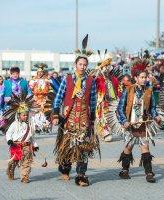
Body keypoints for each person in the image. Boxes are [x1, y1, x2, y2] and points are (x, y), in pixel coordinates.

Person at [52, 35, 99, 186]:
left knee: (83, 147)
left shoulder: (91, 81)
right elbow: (58, 97)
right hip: (69, 117)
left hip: (84, 119)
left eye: (85, 65)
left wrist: (92, 118)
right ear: (75, 64)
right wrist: (55, 114)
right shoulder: (68, 79)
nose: (83, 67)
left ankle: (81, 175)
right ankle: (65, 168)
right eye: (80, 64)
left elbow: (93, 100)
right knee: (67, 145)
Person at [117, 65, 160, 183]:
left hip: (143, 124)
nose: (144, 79)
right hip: (130, 124)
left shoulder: (149, 91)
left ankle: (149, 173)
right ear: (135, 78)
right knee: (128, 147)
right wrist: (123, 121)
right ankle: (125, 170)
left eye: (145, 77)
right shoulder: (128, 90)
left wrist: (156, 116)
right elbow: (120, 108)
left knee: (145, 146)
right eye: (141, 77)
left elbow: (152, 108)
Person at [5, 93, 39, 183]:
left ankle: (24, 177)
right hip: (15, 145)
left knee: (27, 161)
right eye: (23, 115)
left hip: (27, 145)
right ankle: (10, 171)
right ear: (19, 115)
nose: (25, 116)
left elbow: (32, 136)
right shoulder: (14, 124)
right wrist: (9, 140)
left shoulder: (30, 124)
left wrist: (35, 145)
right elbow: (8, 133)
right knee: (14, 161)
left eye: (26, 114)